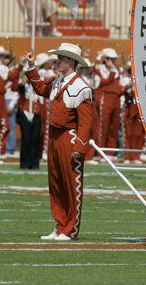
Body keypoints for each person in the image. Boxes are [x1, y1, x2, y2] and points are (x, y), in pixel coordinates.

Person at [23, 43, 94, 241]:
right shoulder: (58, 81)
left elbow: (86, 122)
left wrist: (80, 146)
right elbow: (40, 88)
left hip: (69, 138)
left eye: (61, 58)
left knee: (72, 185)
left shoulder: (81, 87)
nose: (57, 61)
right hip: (54, 137)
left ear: (71, 61)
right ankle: (60, 225)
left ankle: (70, 229)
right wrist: (31, 66)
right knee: (56, 184)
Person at [93, 48, 125, 151]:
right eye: (111, 59)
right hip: (105, 98)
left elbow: (118, 82)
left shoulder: (117, 69)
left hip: (116, 99)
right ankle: (101, 150)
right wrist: (109, 66)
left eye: (114, 59)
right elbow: (105, 81)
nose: (113, 61)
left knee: (113, 127)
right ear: (106, 59)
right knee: (104, 126)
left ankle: (110, 152)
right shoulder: (101, 68)